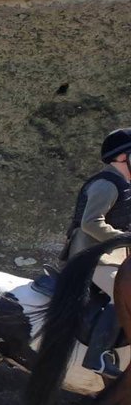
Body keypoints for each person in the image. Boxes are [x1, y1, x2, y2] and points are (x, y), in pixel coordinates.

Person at [64, 127, 131, 376]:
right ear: (123, 158)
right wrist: (125, 238)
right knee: (119, 295)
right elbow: (91, 222)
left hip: (113, 258)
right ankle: (97, 357)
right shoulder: (106, 184)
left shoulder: (125, 185)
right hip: (91, 257)